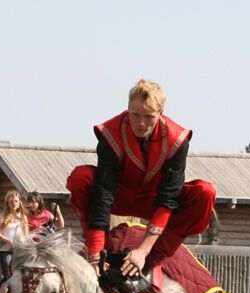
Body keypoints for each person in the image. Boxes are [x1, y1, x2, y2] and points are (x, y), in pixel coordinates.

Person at [66, 79, 216, 276]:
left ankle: (155, 257)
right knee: (80, 178)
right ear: (127, 108)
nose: (141, 123)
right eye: (135, 115)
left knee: (205, 192)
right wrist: (95, 252)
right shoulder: (110, 133)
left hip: (155, 201)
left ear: (161, 114)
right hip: (119, 195)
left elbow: (168, 198)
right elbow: (104, 192)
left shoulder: (177, 139)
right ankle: (102, 247)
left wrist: (144, 251)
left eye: (149, 117)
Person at [0, 190, 28, 293]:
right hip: (5, 249)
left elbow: (25, 234)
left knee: (19, 273)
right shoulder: (1, 216)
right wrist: (9, 241)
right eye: (11, 201)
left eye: (16, 201)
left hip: (19, 249)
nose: (13, 203)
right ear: (7, 203)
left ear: (19, 203)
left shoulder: (22, 217)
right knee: (7, 274)